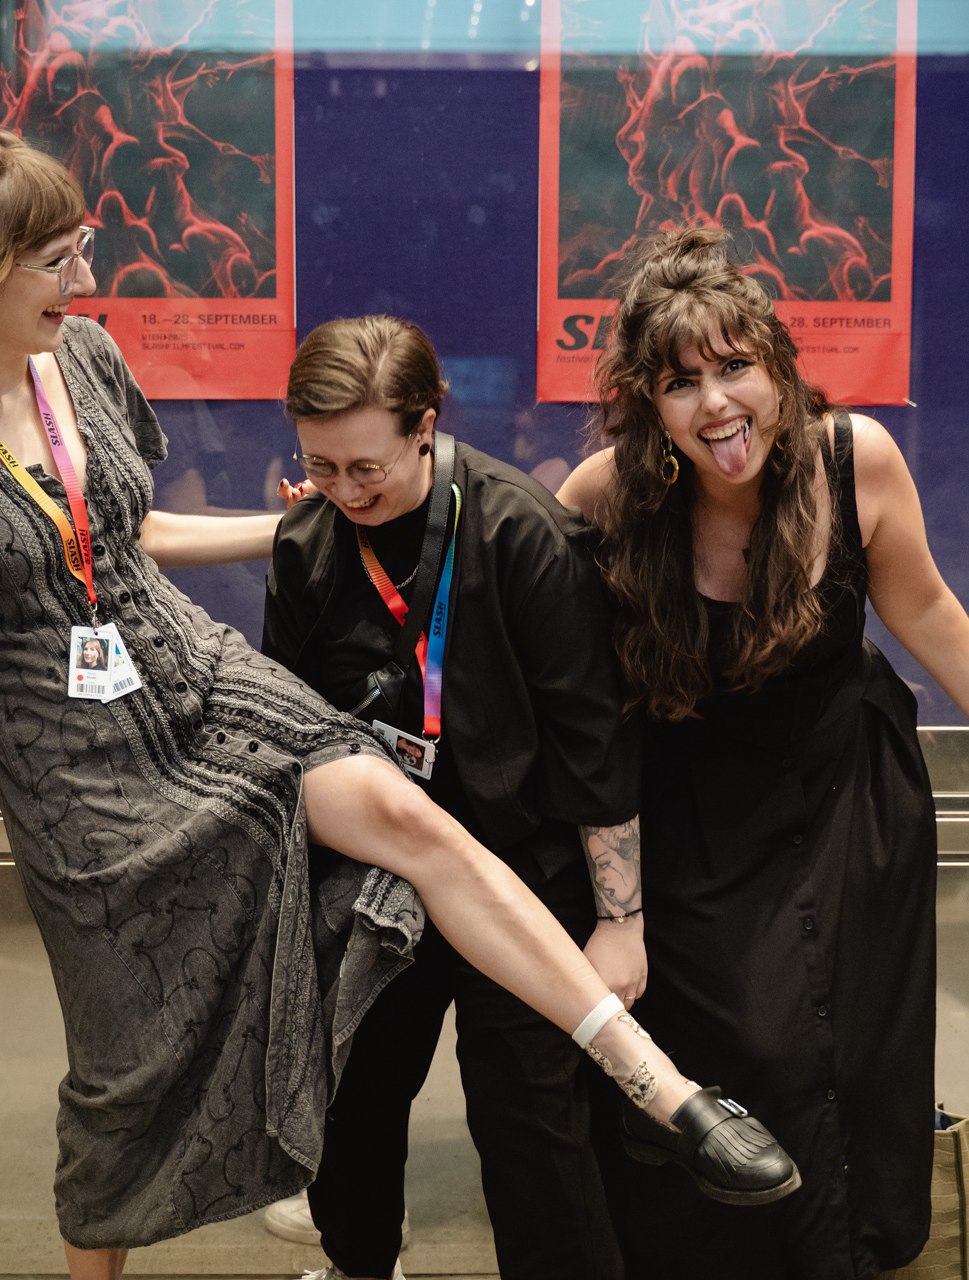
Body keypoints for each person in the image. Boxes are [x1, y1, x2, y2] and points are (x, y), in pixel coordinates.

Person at [0, 130, 796, 1277]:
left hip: (192, 668)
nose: (84, 277)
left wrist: (298, 517)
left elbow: (129, 531)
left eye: (80, 247)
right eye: (57, 258)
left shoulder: (82, 359)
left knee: (410, 821)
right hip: (77, 763)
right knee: (124, 1058)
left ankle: (666, 1090)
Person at [557, 225, 969, 1278]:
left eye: (735, 368)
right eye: (681, 382)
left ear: (779, 370)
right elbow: (528, 621)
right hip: (693, 809)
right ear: (649, 405)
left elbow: (922, 601)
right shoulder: (610, 495)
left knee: (843, 1053)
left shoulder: (854, 459)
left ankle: (849, 1254)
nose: (715, 404)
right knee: (732, 1045)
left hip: (845, 795)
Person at [261, 317, 644, 1280]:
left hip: (519, 875)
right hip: (376, 877)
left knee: (531, 1124)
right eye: (320, 466)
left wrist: (620, 920)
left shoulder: (523, 533)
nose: (345, 492)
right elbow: (287, 725)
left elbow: (593, 739)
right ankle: (359, 1266)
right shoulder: (309, 544)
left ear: (425, 426)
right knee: (350, 1099)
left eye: (367, 467)